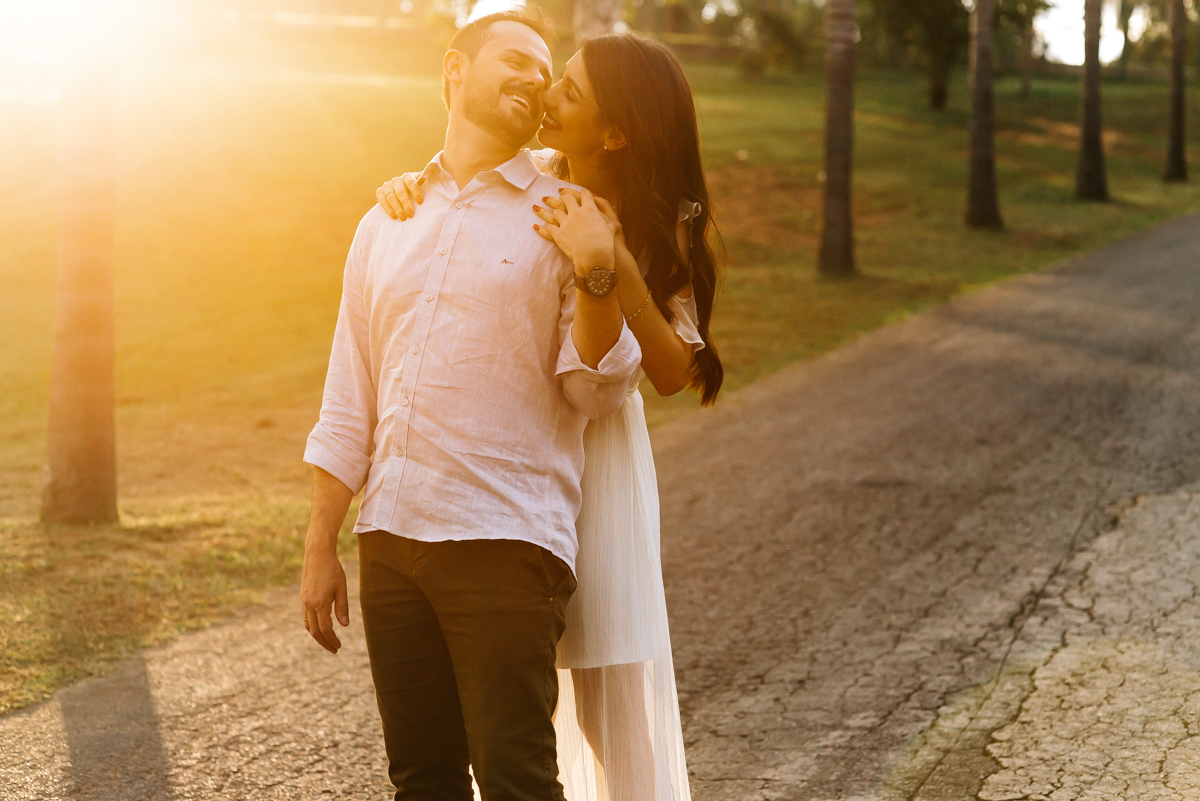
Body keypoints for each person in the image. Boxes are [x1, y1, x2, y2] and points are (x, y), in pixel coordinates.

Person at [298, 10, 643, 801]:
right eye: (515, 58)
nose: (533, 77)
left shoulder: (567, 212)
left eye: (545, 70)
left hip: (506, 539)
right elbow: (349, 391)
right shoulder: (386, 219)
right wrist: (322, 539)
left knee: (517, 779)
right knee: (421, 780)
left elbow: (597, 388)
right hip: (389, 537)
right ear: (455, 70)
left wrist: (596, 272)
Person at [375, 31, 724, 801]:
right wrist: (407, 185)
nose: (547, 96)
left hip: (598, 458)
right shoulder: (532, 179)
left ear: (615, 129)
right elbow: (463, 191)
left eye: (569, 89)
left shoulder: (660, 219)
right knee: (513, 689)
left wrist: (614, 258)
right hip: (517, 449)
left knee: (605, 697)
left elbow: (672, 372)